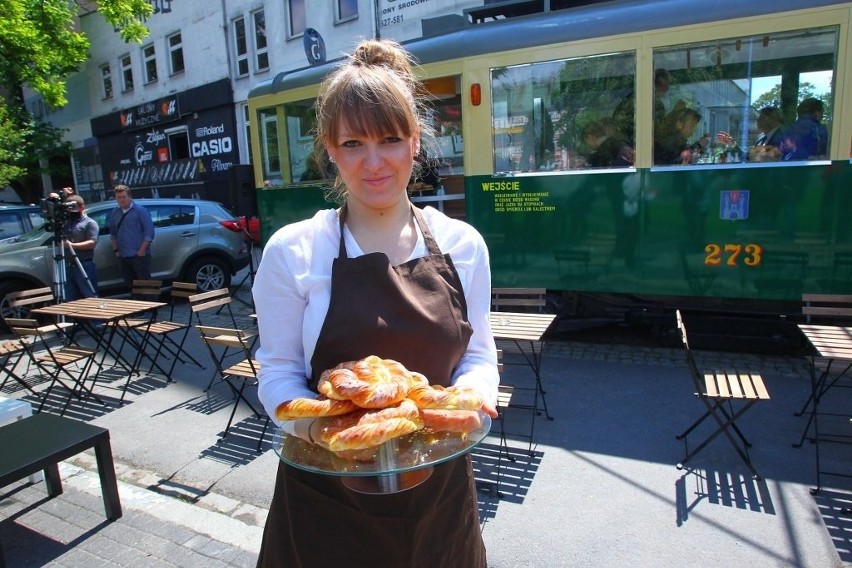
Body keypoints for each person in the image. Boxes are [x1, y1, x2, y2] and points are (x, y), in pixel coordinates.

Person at [252, 39, 499, 567]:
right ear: (330, 149)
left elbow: (478, 354)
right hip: (325, 509)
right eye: (353, 143)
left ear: (415, 141)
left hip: (441, 499)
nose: (373, 162)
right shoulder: (294, 250)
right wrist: (325, 430)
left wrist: (473, 399)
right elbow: (276, 374)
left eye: (389, 138)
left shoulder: (463, 245)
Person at [108, 185, 155, 285]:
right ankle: (136, 300)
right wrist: (116, 250)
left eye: (124, 197)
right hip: (123, 256)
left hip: (138, 255)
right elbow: (113, 234)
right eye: (119, 197)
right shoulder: (115, 213)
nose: (121, 200)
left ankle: (151, 301)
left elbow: (149, 232)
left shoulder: (140, 210)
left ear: (129, 197)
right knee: (131, 284)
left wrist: (142, 250)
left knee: (146, 284)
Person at [61, 195, 99, 300]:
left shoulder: (90, 223)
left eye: (73, 207)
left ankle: (96, 316)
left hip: (83, 265)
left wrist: (71, 245)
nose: (70, 210)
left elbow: (92, 243)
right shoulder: (67, 223)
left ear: (82, 207)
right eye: (68, 208)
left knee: (89, 295)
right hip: (68, 266)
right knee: (70, 298)